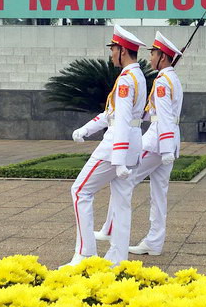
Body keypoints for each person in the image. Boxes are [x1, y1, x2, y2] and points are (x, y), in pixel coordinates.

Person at [62, 25, 147, 267]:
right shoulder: (135, 76)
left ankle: (85, 254)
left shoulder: (126, 81)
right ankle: (118, 257)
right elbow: (111, 114)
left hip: (115, 147)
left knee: (80, 192)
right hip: (132, 145)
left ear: (122, 50)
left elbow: (120, 120)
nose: (111, 54)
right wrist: (86, 130)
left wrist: (118, 159)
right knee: (121, 202)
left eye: (113, 49)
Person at [95, 31, 184, 256]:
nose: (150, 58)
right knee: (159, 193)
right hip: (169, 141)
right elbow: (156, 114)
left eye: (153, 53)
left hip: (156, 142)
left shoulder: (163, 81)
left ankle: (110, 229)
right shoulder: (171, 79)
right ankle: (154, 242)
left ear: (162, 57)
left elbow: (162, 115)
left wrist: (163, 148)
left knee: (123, 180)